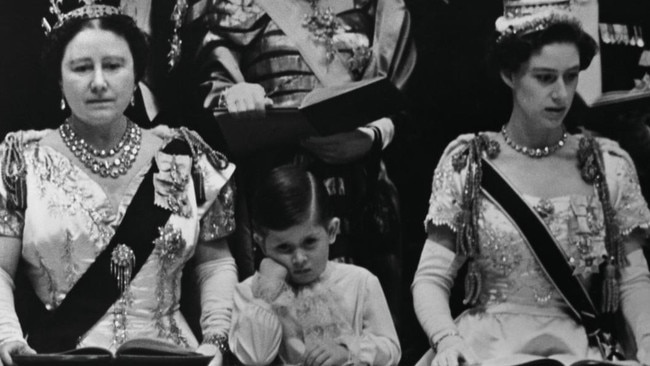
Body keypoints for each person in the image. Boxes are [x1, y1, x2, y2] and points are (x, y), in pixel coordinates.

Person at [411, 1, 650, 366]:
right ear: (510, 74)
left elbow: (633, 281)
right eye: (544, 77)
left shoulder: (606, 166)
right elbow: (430, 279)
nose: (562, 93)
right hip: (485, 350)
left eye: (571, 76)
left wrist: (647, 341)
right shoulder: (470, 163)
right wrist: (446, 340)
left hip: (577, 351)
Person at [0, 3, 237, 366]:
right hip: (60, 357)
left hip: (173, 358)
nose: (98, 82)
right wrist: (9, 339)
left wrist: (216, 339)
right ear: (60, 80)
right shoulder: (22, 160)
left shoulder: (183, 154)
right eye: (81, 68)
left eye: (113, 66)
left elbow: (214, 265)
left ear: (135, 74)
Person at [178, 0, 416, 321]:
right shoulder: (236, 4)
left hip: (360, 188)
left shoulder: (376, 5)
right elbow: (215, 80)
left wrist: (371, 137)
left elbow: (398, 97)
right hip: (277, 187)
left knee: (361, 319)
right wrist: (236, 94)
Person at [228, 165, 400, 365]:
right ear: (261, 243)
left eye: (309, 242)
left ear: (332, 231)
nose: (299, 258)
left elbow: (391, 349)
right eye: (284, 247)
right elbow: (255, 357)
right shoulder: (249, 293)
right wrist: (267, 293)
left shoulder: (359, 281)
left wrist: (349, 352)